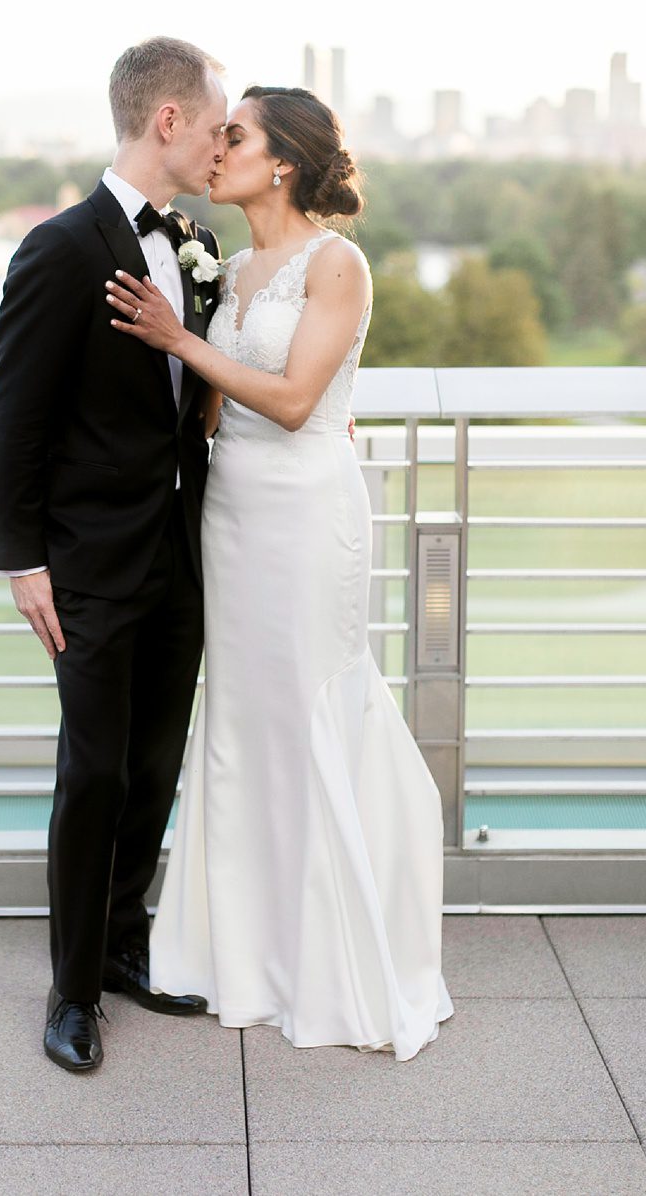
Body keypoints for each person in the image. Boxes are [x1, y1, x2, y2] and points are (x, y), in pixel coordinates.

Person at [109, 84, 453, 1060]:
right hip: (230, 510)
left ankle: (324, 962)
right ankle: (239, 955)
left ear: (284, 162)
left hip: (306, 514)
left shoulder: (333, 264)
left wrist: (175, 338)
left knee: (305, 708)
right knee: (241, 718)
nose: (216, 150)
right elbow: (213, 407)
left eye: (236, 135)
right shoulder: (227, 263)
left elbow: (299, 399)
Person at [0, 37, 226, 1073]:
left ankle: (125, 946)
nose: (221, 144)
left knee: (153, 765)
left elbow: (189, 402)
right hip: (85, 561)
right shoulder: (61, 248)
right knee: (91, 773)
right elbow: (15, 415)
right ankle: (71, 989)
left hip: (180, 549)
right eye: (215, 126)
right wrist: (20, 559)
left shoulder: (191, 239)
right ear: (165, 121)